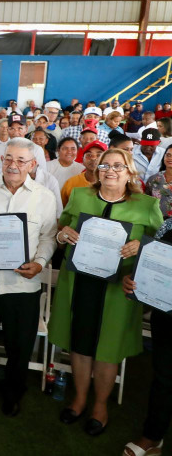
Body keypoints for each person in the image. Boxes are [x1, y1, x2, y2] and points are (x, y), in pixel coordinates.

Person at [50, 148, 163, 436]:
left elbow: (161, 249)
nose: (110, 171)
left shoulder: (147, 205)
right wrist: (63, 235)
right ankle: (78, 398)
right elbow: (61, 227)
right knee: (80, 340)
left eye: (118, 166)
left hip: (119, 287)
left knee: (107, 347)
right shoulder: (80, 196)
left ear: (130, 173)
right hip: (79, 281)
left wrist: (143, 247)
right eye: (105, 166)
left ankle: (100, 405)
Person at [0, 138, 57, 416]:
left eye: (20, 160)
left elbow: (49, 237)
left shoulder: (44, 196)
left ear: (32, 165)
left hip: (23, 283)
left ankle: (13, 392)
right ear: (0, 160)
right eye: (8, 159)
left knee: (19, 345)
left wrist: (40, 264)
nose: (13, 165)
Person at [122, 218, 172, 456]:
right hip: (166, 315)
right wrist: (134, 282)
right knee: (164, 377)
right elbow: (150, 265)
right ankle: (152, 437)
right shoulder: (169, 225)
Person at [61, 141, 108, 206]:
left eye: (99, 155)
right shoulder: (71, 183)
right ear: (82, 159)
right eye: (89, 155)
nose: (93, 158)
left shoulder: (112, 183)